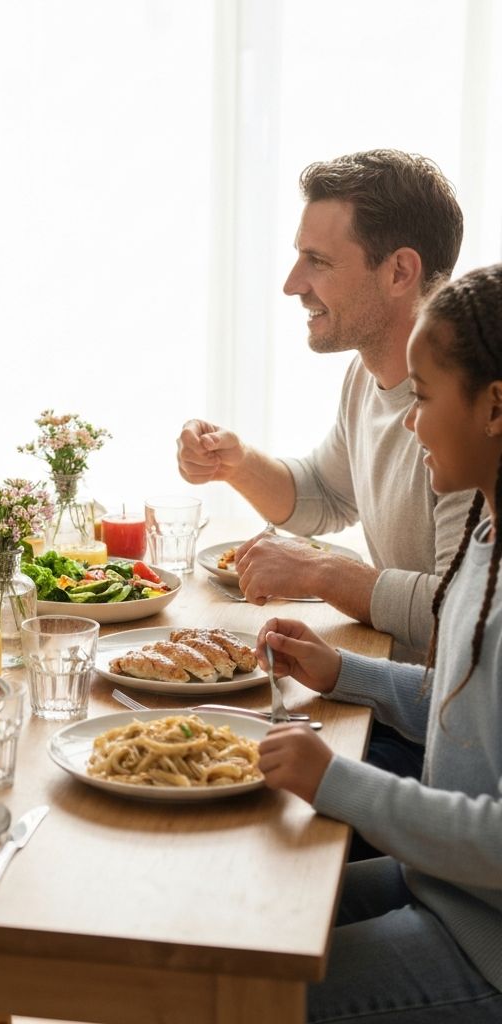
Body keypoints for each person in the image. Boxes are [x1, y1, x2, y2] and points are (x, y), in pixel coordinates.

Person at [257, 263, 502, 1022]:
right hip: (448, 886)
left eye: (423, 399)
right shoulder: (486, 535)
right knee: (239, 923)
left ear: (495, 407)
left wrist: (336, 781)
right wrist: (345, 673)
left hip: (483, 940)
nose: (410, 422)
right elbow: (466, 701)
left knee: (230, 999)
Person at [177, 150, 472, 668]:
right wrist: (237, 463)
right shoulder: (367, 374)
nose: (292, 283)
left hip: (436, 725)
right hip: (393, 688)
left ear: (400, 271)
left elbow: (463, 613)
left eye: (319, 260)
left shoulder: (472, 411)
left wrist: (319, 572)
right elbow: (328, 493)